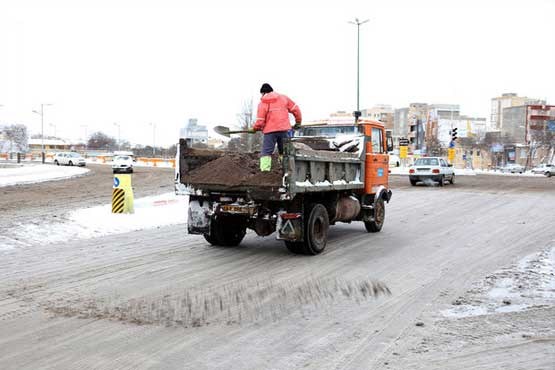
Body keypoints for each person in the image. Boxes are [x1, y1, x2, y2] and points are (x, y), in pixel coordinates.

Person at [253, 83, 302, 171]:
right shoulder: (284, 98)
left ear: (263, 93)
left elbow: (260, 121)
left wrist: (255, 128)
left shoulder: (262, 103)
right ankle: (285, 170)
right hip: (284, 130)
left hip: (270, 132)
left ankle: (265, 172)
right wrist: (298, 122)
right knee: (284, 151)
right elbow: (296, 109)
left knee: (266, 152)